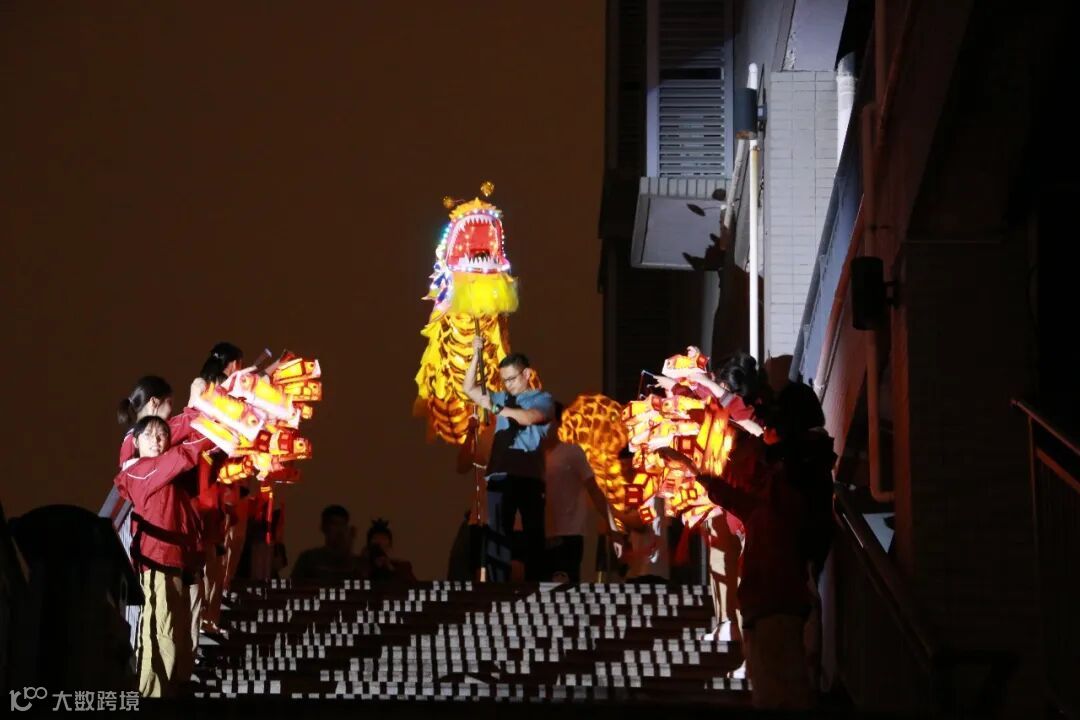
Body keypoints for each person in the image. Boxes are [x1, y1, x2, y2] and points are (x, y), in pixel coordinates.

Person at [114, 415, 213, 697]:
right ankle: (150, 693)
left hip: (177, 561)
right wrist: (212, 429)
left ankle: (168, 689)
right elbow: (181, 456)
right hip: (155, 560)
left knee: (175, 630)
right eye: (149, 435)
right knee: (160, 629)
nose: (157, 441)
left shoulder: (169, 474)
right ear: (136, 442)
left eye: (162, 435)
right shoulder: (138, 471)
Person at [463, 338, 554, 582]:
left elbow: (529, 417)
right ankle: (497, 587)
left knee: (533, 534)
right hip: (500, 475)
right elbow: (469, 388)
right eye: (504, 380)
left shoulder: (542, 399)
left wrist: (496, 409)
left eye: (512, 379)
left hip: (529, 477)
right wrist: (476, 356)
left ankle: (536, 587)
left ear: (527, 374)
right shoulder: (501, 397)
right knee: (497, 535)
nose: (508, 385)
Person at [542, 404, 610, 583]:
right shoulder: (533, 456)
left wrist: (611, 523)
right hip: (540, 532)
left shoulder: (571, 452)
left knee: (564, 585)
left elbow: (593, 489)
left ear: (557, 422)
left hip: (568, 532)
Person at [290, 505, 364, 580]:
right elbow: (295, 584)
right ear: (323, 527)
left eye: (342, 524)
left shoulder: (358, 563)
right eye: (335, 524)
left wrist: (349, 545)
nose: (340, 530)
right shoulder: (308, 559)